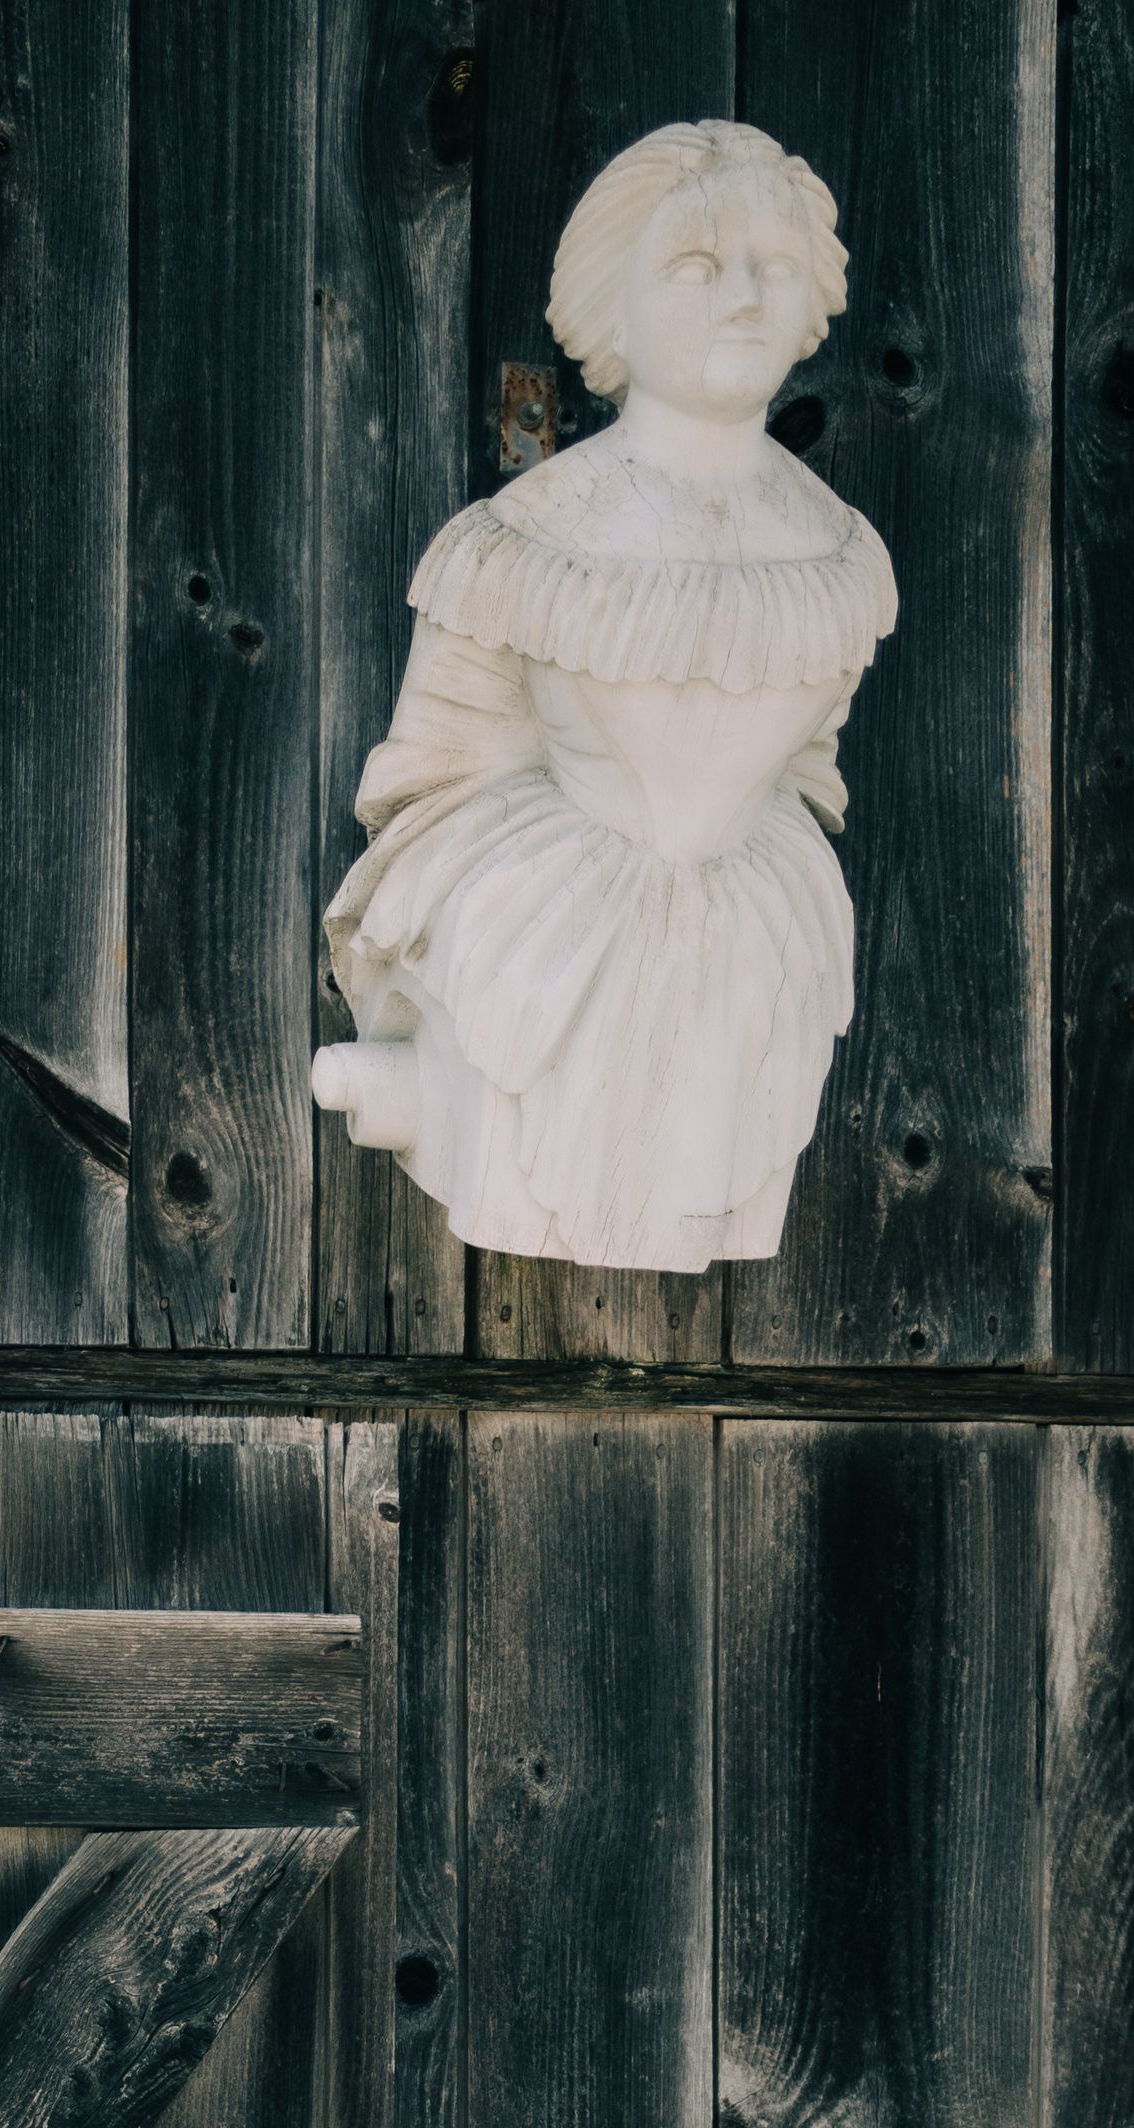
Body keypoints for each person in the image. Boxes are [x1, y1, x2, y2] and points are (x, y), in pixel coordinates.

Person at [313, 120, 894, 1271]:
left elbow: (808, 767)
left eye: (773, 269)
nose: (740, 296)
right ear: (609, 305)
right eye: (694, 265)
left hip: (756, 942)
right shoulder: (528, 542)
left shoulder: (837, 553)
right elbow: (435, 770)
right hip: (545, 921)